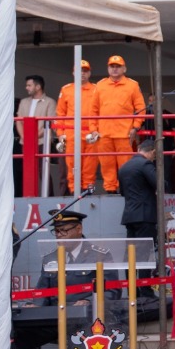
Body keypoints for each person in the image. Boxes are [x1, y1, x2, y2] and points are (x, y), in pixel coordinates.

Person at [93, 55, 146, 194]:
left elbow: (141, 108)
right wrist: (93, 130)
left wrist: (136, 127)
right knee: (106, 164)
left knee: (126, 165)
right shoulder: (100, 85)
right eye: (112, 66)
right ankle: (110, 191)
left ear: (124, 68)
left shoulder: (132, 85)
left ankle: (126, 190)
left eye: (118, 67)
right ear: (108, 68)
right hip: (104, 133)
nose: (115, 69)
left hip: (124, 133)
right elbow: (93, 110)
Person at [56, 62, 101, 194]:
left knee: (90, 168)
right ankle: (73, 195)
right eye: (79, 70)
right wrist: (60, 134)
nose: (82, 73)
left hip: (91, 134)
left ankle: (88, 194)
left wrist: (97, 130)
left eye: (85, 70)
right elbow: (60, 113)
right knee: (72, 168)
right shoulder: (66, 89)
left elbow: (101, 111)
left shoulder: (96, 89)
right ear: (73, 73)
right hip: (71, 133)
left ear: (90, 73)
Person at [16, 74, 59, 196]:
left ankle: (49, 197)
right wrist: (24, 137)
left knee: (43, 171)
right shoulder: (24, 102)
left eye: (29, 85)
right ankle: (25, 196)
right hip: (25, 142)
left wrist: (33, 137)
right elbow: (19, 121)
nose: (26, 88)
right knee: (25, 171)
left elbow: (49, 123)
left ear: (38, 86)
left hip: (41, 142)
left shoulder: (50, 102)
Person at [118, 134, 158, 243]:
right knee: (144, 252)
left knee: (131, 252)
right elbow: (160, 184)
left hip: (129, 216)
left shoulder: (124, 167)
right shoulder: (145, 164)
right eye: (155, 156)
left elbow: (122, 192)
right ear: (153, 152)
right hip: (145, 216)